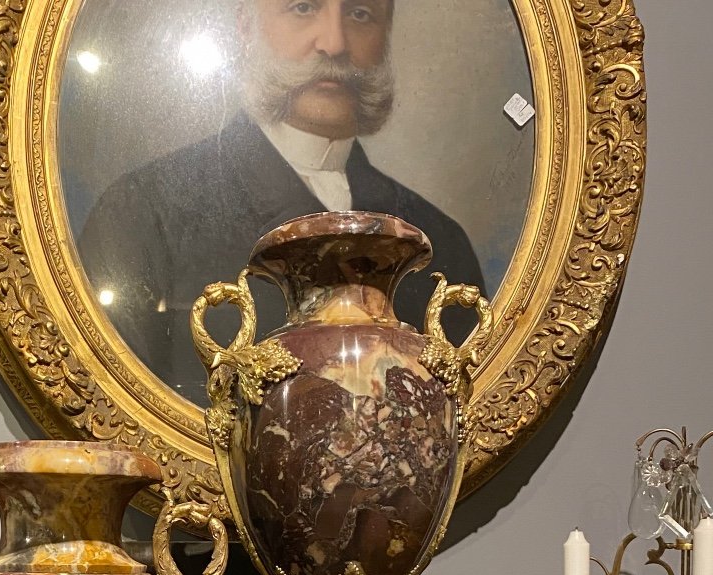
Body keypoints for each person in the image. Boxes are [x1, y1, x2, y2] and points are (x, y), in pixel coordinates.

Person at [78, 0, 485, 401]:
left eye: (360, 14)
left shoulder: (441, 241)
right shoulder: (141, 213)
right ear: (244, 26)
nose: (334, 43)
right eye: (303, 8)